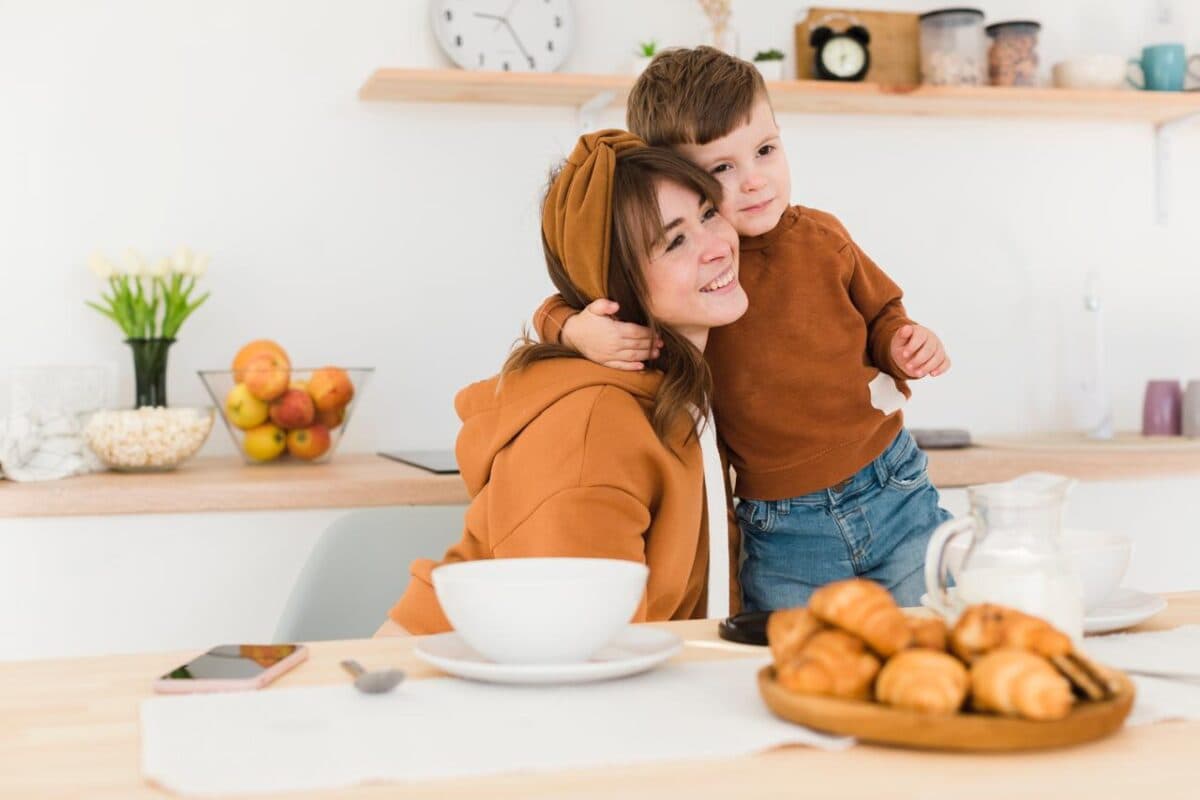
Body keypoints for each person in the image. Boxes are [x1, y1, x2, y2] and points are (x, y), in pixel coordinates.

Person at [533, 47, 952, 610]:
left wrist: (904, 342)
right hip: (782, 527)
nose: (755, 182)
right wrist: (575, 330)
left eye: (765, 150)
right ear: (677, 178)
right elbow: (565, 302)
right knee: (790, 661)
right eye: (722, 169)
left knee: (933, 635)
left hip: (890, 485)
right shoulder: (685, 285)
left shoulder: (823, 237)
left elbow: (883, 315)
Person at [376, 130, 748, 636]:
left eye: (708, 214)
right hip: (452, 693)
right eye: (675, 241)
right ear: (617, 285)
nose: (717, 247)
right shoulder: (596, 427)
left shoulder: (686, 387)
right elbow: (583, 649)